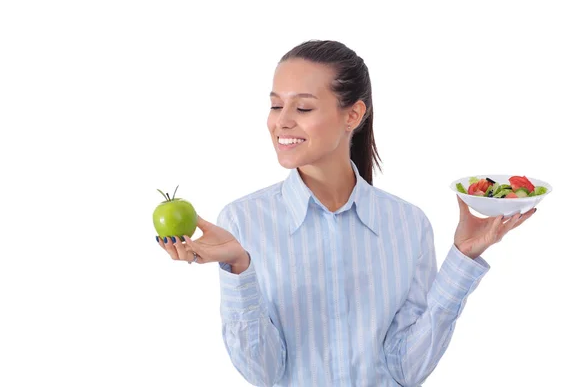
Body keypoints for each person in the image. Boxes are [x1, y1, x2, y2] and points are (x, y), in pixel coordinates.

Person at [157, 40, 536, 387]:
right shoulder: (243, 222)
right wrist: (240, 267)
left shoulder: (407, 224)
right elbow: (264, 372)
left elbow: (407, 369)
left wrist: (463, 259)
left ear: (353, 115)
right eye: (275, 105)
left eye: (303, 107)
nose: (281, 121)